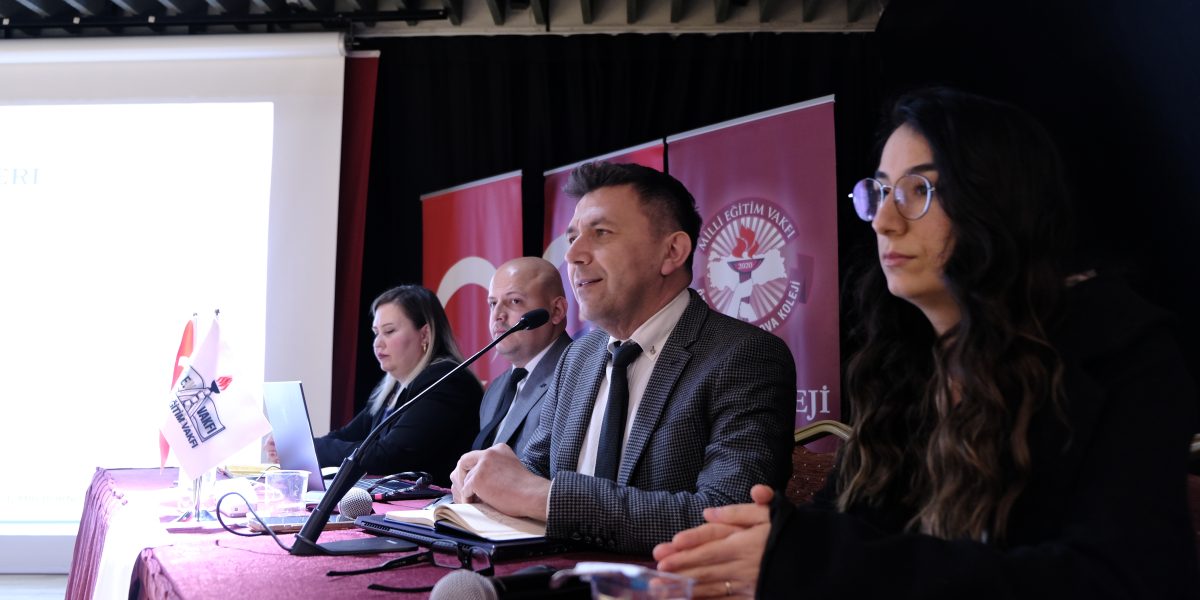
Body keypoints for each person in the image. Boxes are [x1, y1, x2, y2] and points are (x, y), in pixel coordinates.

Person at [653, 87, 1199, 598]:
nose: (884, 222)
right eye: (880, 193)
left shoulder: (1120, 351)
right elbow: (851, 526)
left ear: (996, 198)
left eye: (919, 191)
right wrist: (767, 538)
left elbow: (1119, 578)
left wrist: (809, 559)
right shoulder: (902, 360)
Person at [450, 162, 796, 554]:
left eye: (601, 233)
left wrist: (544, 498)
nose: (573, 255)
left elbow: (727, 519)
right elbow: (532, 474)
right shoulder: (576, 357)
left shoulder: (744, 357)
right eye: (572, 237)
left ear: (672, 252)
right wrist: (488, 479)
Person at [266, 285, 483, 486]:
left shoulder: (447, 382)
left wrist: (307, 449)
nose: (378, 343)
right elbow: (348, 435)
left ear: (424, 333)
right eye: (376, 332)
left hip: (434, 510)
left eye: (389, 331)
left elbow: (389, 456)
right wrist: (299, 445)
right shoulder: (392, 388)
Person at [474, 257, 572, 459]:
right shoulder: (495, 390)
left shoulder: (577, 376)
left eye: (514, 301)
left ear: (557, 310)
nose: (498, 315)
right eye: (492, 303)